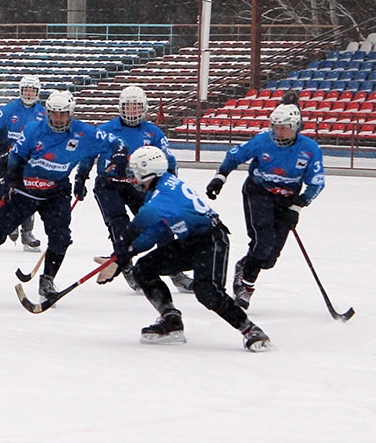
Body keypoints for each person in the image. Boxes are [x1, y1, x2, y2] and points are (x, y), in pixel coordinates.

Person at [0, 90, 126, 301]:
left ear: (70, 113)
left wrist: (119, 156)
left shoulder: (83, 132)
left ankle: (47, 280)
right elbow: (16, 156)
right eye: (54, 113)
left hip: (56, 192)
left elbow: (117, 143)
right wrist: (11, 180)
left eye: (63, 114)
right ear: (48, 112)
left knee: (61, 238)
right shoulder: (34, 129)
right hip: (26, 190)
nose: (59, 119)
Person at [101, 146, 272, 352]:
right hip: (189, 242)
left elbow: (139, 225)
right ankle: (171, 319)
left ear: (149, 170)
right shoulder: (157, 190)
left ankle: (250, 330)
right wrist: (126, 254)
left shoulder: (162, 195)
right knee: (144, 268)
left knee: (207, 291)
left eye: (135, 172)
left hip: (211, 240)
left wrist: (121, 252)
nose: (133, 178)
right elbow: (154, 232)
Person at [205, 103, 324, 310]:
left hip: (287, 200)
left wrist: (298, 206)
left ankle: (244, 266)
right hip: (259, 192)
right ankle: (246, 287)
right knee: (264, 239)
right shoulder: (262, 141)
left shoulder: (310, 148)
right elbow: (234, 156)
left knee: (269, 258)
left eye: (285, 127)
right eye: (276, 126)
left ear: (296, 126)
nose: (279, 131)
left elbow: (316, 182)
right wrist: (220, 177)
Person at [76, 85, 193, 294]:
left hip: (140, 185)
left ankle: (175, 270)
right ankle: (126, 265)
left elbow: (168, 158)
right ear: (121, 108)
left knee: (160, 223)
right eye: (128, 107)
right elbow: (88, 154)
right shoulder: (106, 130)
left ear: (144, 109)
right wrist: (81, 177)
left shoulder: (153, 132)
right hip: (109, 184)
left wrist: (170, 180)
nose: (132, 112)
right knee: (119, 224)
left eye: (137, 107)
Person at [0, 74, 47, 252]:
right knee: (3, 192)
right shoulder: (9, 109)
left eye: (33, 91)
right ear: (21, 91)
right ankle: (5, 226)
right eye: (26, 90)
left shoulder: (42, 113)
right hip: (4, 160)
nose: (29, 94)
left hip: (27, 162)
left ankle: (27, 232)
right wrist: (1, 149)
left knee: (30, 195)